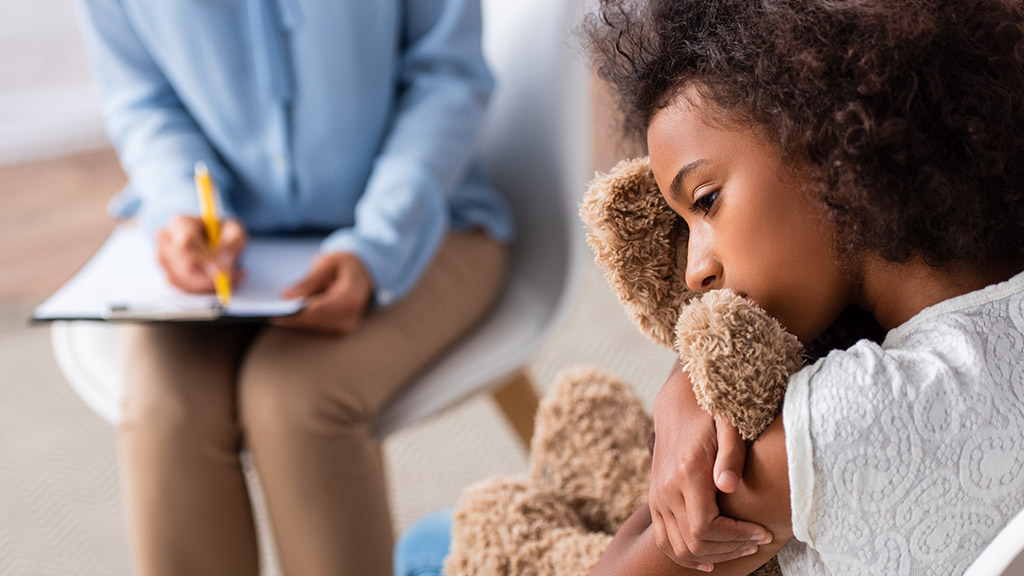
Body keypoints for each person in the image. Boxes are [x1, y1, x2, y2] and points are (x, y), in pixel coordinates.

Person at [394, 0, 1024, 574]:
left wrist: (691, 389)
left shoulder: (837, 421)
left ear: (832, 137)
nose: (695, 271)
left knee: (427, 547)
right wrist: (686, 384)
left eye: (706, 199)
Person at [75, 1, 512, 575]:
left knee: (295, 402)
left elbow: (446, 79)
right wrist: (185, 209)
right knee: (167, 410)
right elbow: (144, 103)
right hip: (230, 258)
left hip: (428, 224)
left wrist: (377, 244)